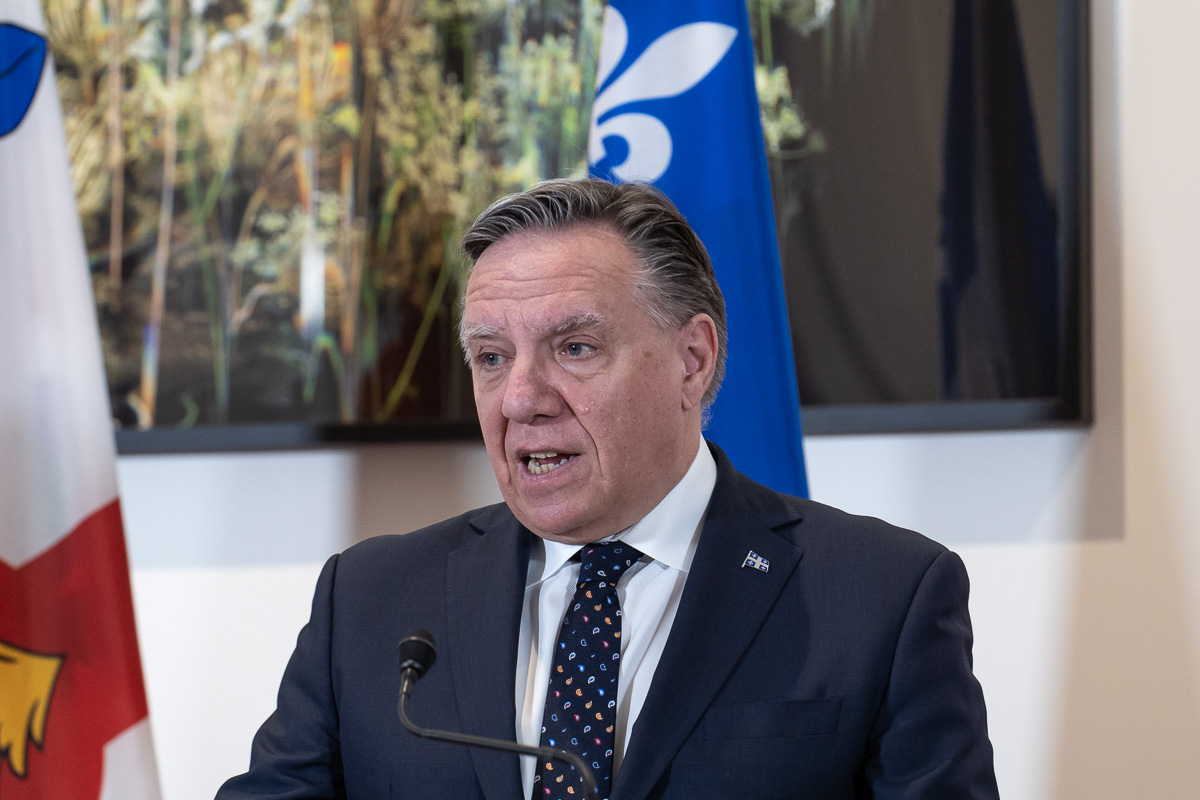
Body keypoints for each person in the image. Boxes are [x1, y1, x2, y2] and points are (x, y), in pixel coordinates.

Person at [217, 179, 999, 799]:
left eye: (575, 346)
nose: (521, 397)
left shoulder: (882, 597)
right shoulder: (371, 600)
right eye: (491, 358)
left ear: (692, 360)